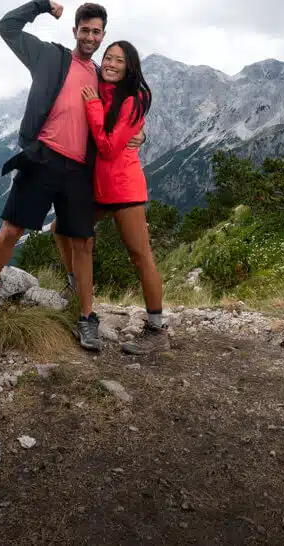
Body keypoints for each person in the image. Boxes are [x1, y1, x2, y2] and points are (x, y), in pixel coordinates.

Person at [0, 0, 142, 350]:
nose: (91, 37)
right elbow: (6, 27)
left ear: (103, 34)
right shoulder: (49, 56)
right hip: (43, 158)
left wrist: (139, 129)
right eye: (86, 30)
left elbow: (125, 109)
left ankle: (86, 316)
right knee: (11, 230)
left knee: (83, 242)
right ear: (75, 30)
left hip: (79, 170)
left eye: (97, 32)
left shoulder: (101, 75)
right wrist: (41, 5)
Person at [52, 41, 169, 355]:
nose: (112, 63)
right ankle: (77, 286)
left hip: (124, 187)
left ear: (130, 67)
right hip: (99, 186)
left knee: (139, 254)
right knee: (61, 229)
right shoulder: (100, 90)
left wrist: (95, 110)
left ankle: (157, 329)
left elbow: (107, 146)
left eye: (120, 60)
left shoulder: (132, 99)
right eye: (108, 57)